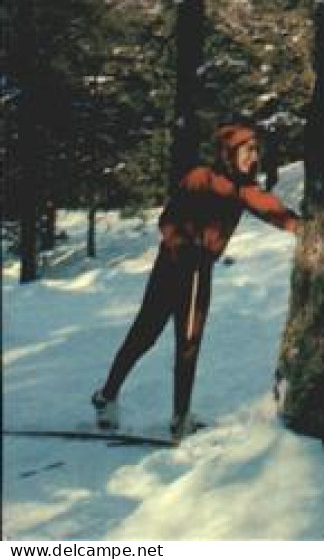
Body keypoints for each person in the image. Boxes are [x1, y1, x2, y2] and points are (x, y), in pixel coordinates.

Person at [91, 123, 300, 440]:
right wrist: (186, 248)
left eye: (256, 150)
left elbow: (277, 214)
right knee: (146, 334)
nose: (253, 156)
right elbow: (168, 220)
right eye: (247, 150)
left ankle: (180, 415)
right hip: (174, 266)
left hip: (199, 270)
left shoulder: (246, 190)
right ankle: (107, 397)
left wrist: (308, 228)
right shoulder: (200, 178)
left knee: (189, 341)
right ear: (230, 152)